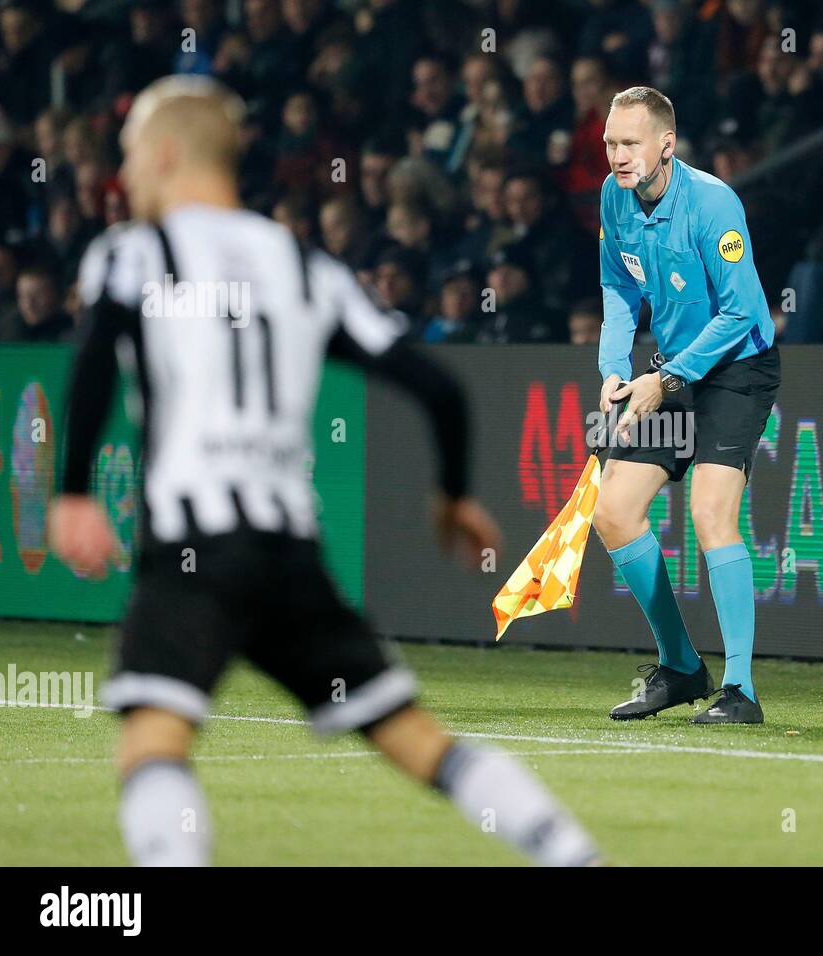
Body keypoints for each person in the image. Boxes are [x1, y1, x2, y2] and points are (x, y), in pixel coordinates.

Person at [47, 76, 602, 867]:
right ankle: (575, 855)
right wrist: (452, 492)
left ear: (165, 154)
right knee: (415, 739)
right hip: (289, 555)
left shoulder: (136, 253)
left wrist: (71, 491)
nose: (126, 177)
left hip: (193, 548)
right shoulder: (304, 266)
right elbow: (436, 385)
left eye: (131, 158)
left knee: (152, 741)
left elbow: (96, 359)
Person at [595, 86, 780, 724]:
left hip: (735, 367)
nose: (617, 155)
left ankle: (742, 692)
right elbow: (617, 286)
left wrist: (667, 378)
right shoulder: (612, 197)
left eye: (630, 143)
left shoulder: (712, 203)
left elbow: (742, 312)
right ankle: (680, 668)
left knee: (709, 512)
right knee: (614, 511)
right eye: (610, 142)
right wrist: (615, 369)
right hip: (672, 370)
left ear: (665, 145)